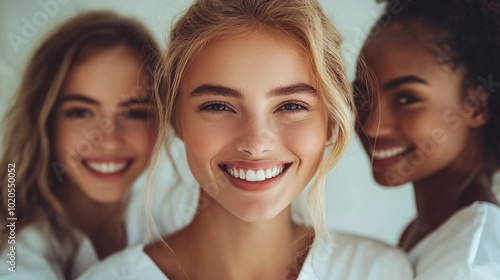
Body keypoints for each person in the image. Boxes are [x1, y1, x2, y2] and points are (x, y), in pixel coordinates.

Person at [78, 1, 413, 279]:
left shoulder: (380, 272)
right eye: (219, 106)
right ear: (175, 117)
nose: (255, 143)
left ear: (330, 122)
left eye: (291, 105)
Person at [0, 11, 161, 279]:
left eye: (134, 113)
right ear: (45, 120)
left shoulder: (173, 212)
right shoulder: (16, 250)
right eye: (81, 112)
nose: (108, 140)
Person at [354, 0, 500, 278]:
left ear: (476, 106)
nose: (372, 126)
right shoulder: (427, 229)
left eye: (407, 99)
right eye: (362, 96)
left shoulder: (472, 260)